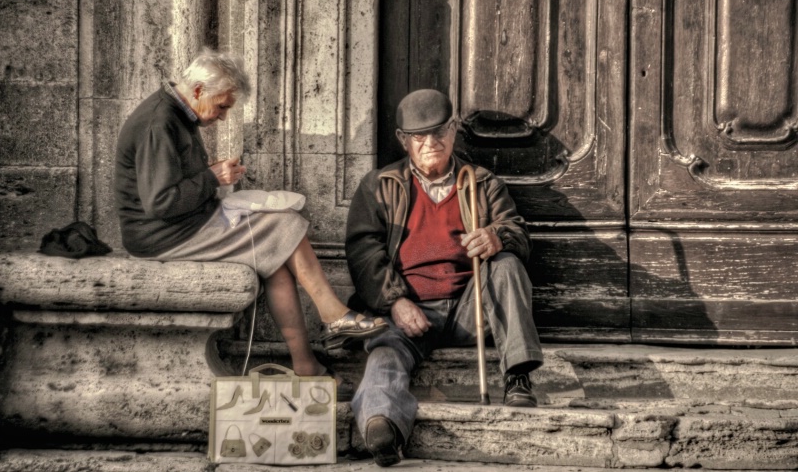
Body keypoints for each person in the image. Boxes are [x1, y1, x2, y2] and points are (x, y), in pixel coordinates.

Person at [114, 48, 387, 384]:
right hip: (163, 236)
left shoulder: (176, 114)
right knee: (285, 223)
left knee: (275, 260)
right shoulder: (161, 121)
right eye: (222, 106)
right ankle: (333, 312)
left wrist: (211, 174)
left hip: (181, 225)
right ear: (198, 90)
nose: (223, 116)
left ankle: (305, 365)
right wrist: (213, 178)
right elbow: (161, 202)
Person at [345, 89, 544, 466]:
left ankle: (517, 377)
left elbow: (517, 232)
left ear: (453, 131)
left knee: (506, 265)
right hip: (410, 310)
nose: (431, 143)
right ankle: (382, 426)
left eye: (439, 133)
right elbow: (363, 252)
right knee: (385, 352)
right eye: (419, 137)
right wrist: (396, 301)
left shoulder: (482, 182)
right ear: (404, 141)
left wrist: (496, 237)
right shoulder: (379, 186)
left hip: (473, 309)